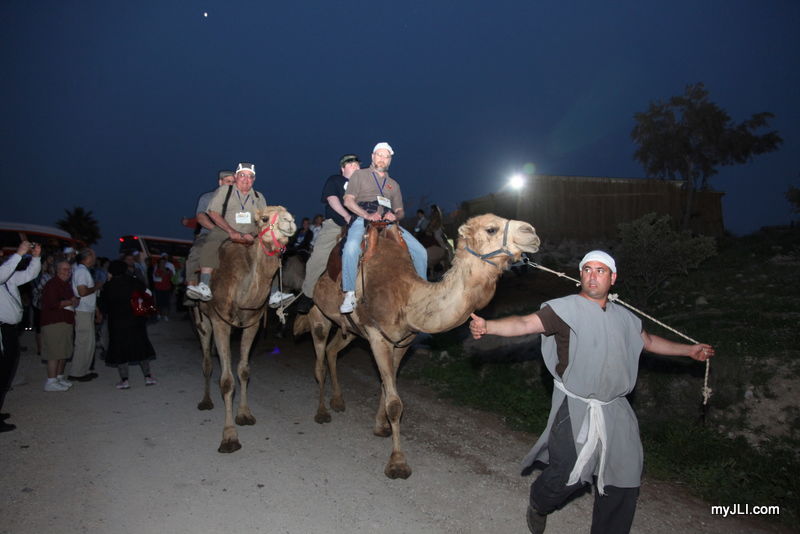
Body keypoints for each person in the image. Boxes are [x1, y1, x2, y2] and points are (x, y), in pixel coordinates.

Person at [468, 250, 716, 534]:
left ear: (613, 278)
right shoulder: (564, 310)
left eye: (601, 270)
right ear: (580, 276)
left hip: (616, 407)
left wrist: (689, 350)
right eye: (587, 269)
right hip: (576, 405)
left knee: (624, 476)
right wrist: (489, 326)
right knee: (567, 471)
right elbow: (525, 323)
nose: (593, 275)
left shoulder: (626, 318)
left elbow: (647, 341)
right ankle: (539, 501)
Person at [339, 142, 427, 313]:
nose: (382, 159)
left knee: (421, 251)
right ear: (373, 156)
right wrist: (366, 215)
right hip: (363, 216)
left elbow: (400, 210)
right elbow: (348, 200)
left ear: (390, 160)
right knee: (350, 248)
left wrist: (395, 215)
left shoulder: (393, 184)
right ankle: (349, 293)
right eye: (379, 155)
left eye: (386, 156)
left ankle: (422, 292)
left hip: (388, 221)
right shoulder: (359, 175)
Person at [186, 162, 273, 301]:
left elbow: (263, 220)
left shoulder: (258, 196)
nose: (246, 179)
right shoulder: (223, 192)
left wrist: (253, 234)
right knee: (209, 243)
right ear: (236, 176)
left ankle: (274, 292)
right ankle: (203, 284)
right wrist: (230, 231)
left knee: (270, 250)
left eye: (250, 176)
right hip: (225, 229)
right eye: (242, 175)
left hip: (250, 232)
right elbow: (212, 212)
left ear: (254, 179)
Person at [296, 153, 360, 314]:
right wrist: (346, 216)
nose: (355, 166)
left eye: (357, 164)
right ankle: (308, 295)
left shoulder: (363, 185)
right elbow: (332, 199)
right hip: (335, 225)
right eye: (351, 164)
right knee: (318, 257)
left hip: (360, 226)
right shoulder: (335, 180)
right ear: (342, 168)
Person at [0, 241, 42, 432]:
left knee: (7, 370)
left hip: (9, 330)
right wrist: (18, 254)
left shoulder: (7, 275)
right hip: (1, 330)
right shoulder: (3, 274)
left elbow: (29, 275)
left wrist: (35, 257)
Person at [99, 260, 157, 389]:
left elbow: (104, 307)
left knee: (120, 350)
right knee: (141, 347)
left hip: (117, 323)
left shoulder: (108, 286)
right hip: (136, 320)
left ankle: (124, 381)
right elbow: (148, 294)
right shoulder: (134, 281)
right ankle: (148, 377)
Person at [41, 261, 79, 392]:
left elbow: (73, 300)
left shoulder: (66, 284)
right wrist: (71, 301)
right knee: (54, 353)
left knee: (63, 352)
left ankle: (58, 377)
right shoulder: (52, 284)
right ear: (57, 270)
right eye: (64, 269)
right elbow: (52, 304)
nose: (67, 272)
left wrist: (73, 301)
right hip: (54, 322)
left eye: (69, 270)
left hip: (65, 321)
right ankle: (51, 381)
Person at [67, 248, 103, 382]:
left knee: (88, 342)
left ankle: (83, 370)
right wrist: (97, 286)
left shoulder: (82, 270)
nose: (95, 258)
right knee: (83, 342)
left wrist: (96, 310)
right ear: (87, 258)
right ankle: (77, 372)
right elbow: (82, 292)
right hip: (83, 311)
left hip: (87, 310)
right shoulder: (81, 271)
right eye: (93, 256)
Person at [152, 256, 173, 321]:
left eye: (164, 262)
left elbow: (172, 277)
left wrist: (168, 272)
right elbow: (157, 277)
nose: (163, 264)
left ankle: (165, 315)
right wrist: (165, 273)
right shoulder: (156, 270)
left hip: (167, 288)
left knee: (166, 303)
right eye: (161, 262)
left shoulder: (168, 270)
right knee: (159, 302)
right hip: (158, 289)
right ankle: (159, 314)